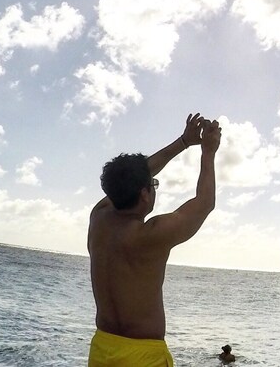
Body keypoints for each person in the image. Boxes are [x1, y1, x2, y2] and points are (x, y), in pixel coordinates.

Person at [88, 113, 220, 367]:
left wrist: (183, 142)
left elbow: (130, 178)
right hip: (143, 357)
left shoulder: (99, 219)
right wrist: (208, 151)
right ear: (145, 195)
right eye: (154, 185)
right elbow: (205, 203)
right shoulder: (150, 236)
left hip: (102, 349)